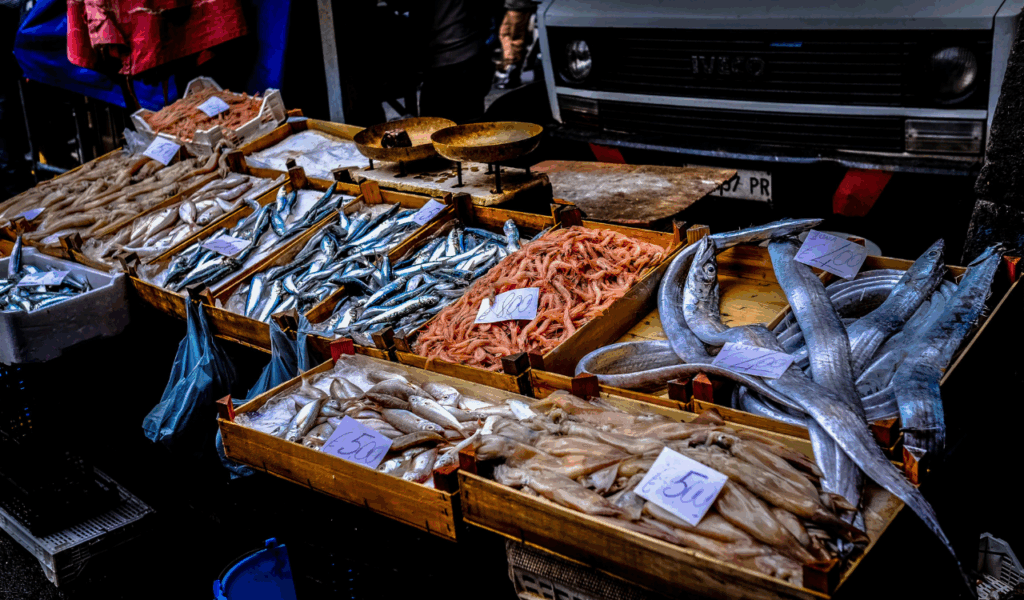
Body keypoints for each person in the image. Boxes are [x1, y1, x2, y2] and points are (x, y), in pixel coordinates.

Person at [494, 0, 538, 89]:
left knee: (513, 35)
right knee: (507, 33)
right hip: (516, 5)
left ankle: (510, 71)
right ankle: (509, 69)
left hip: (520, 4)